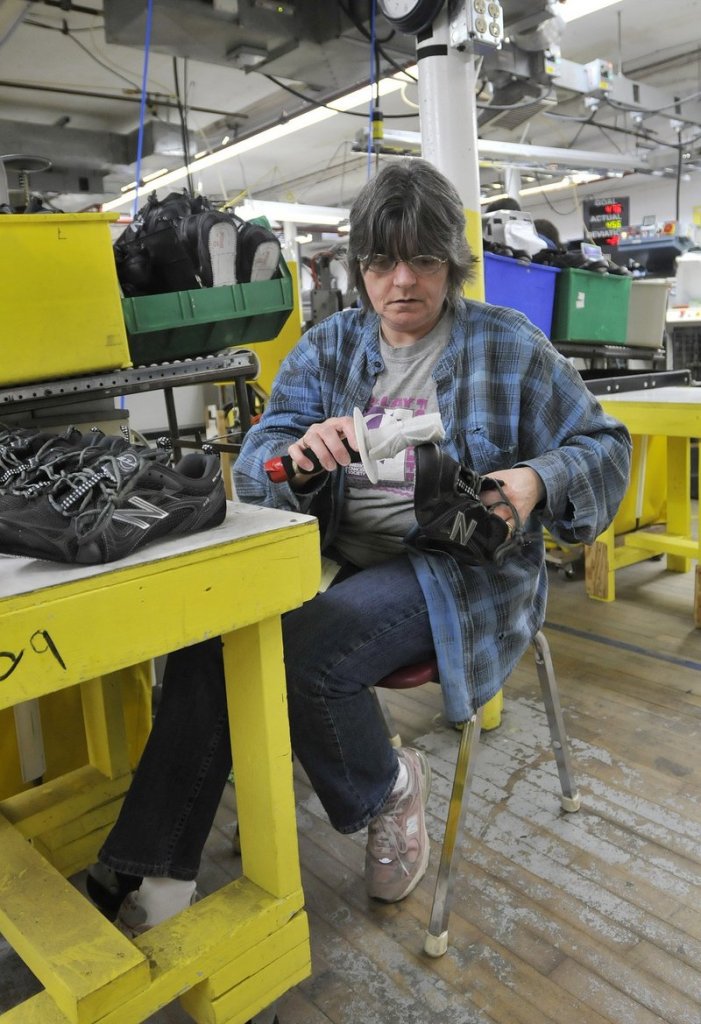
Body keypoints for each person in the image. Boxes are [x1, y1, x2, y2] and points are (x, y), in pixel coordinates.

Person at [87, 159, 631, 933]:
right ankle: (156, 863)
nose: (401, 281)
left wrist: (535, 483)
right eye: (381, 262)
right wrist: (297, 455)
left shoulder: (506, 346)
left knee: (305, 657)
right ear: (360, 268)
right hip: (336, 553)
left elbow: (604, 445)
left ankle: (388, 787)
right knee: (210, 637)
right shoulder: (330, 346)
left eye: (423, 261)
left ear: (451, 263)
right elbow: (263, 455)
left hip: (457, 570)